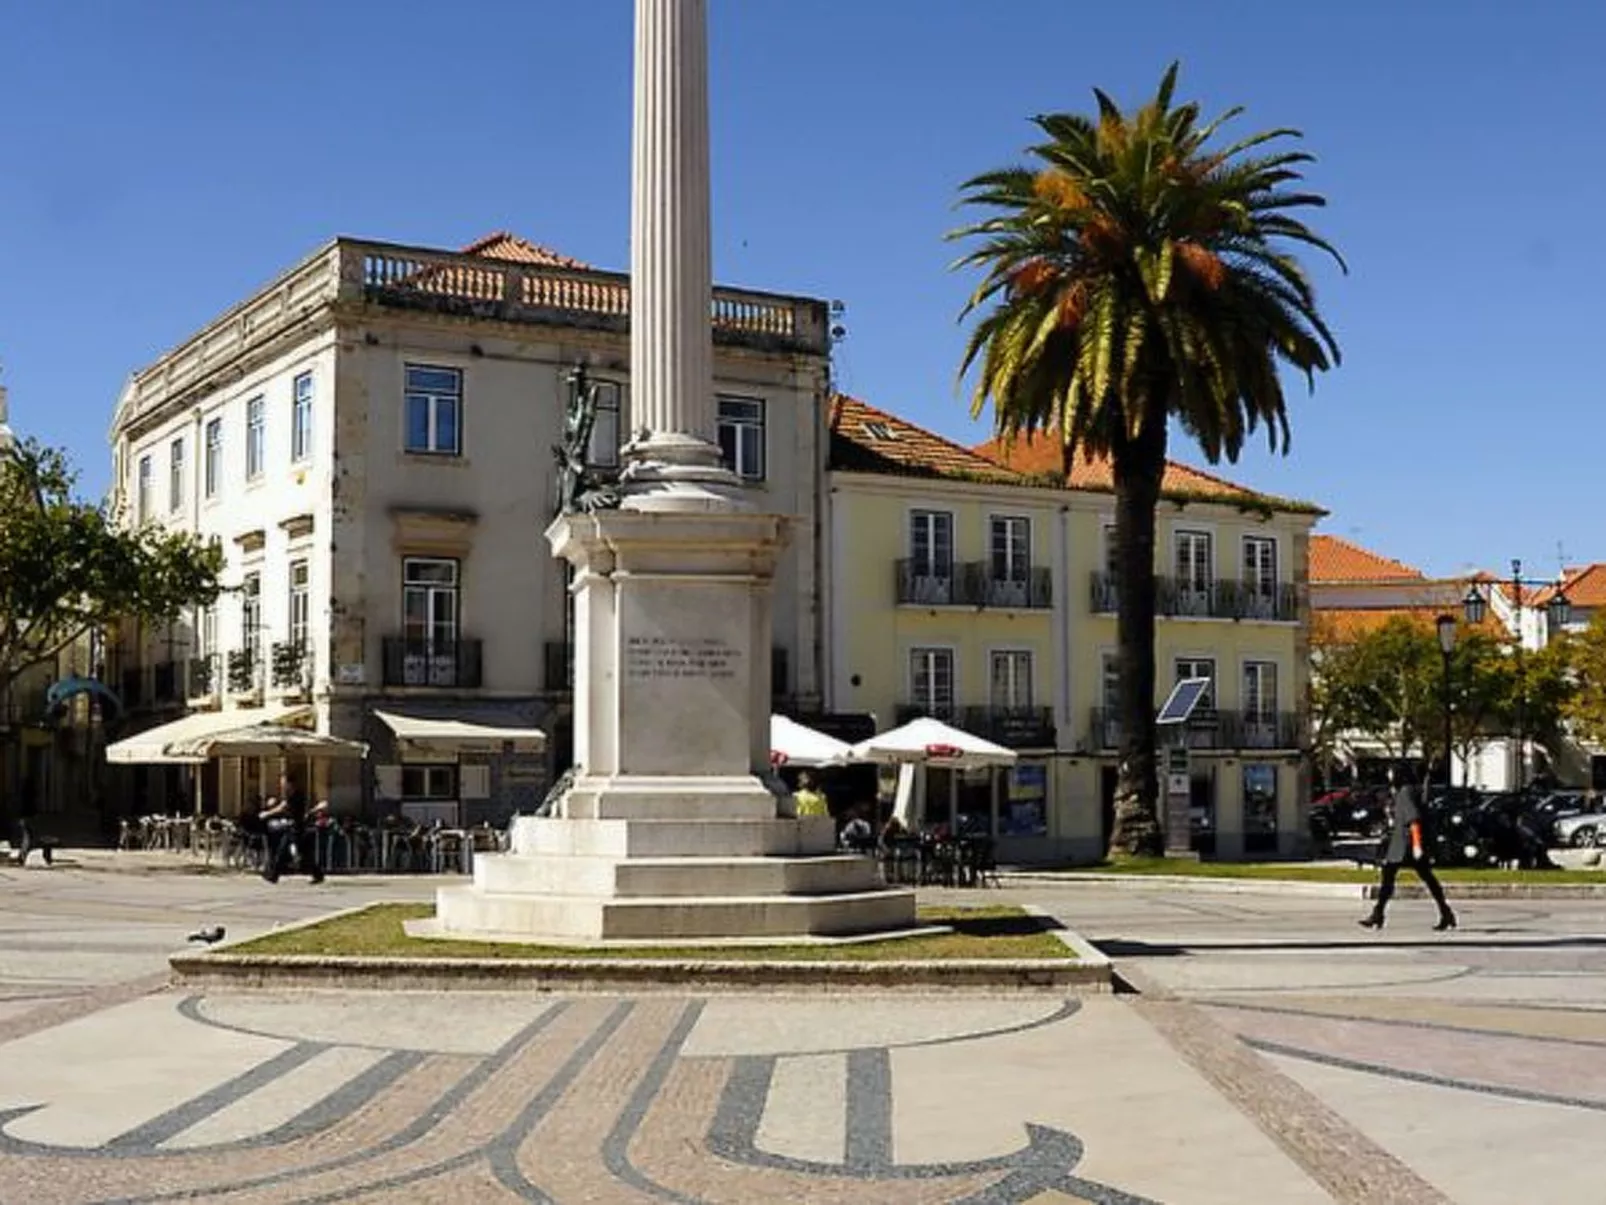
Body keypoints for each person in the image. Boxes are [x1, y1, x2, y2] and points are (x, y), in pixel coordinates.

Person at [1359, 769, 1455, 931]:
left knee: (1394, 879)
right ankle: (1445, 912)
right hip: (1401, 844)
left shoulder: (1405, 793)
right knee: (1419, 878)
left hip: (1406, 845)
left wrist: (1417, 846)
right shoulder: (1404, 793)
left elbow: (1414, 820)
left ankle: (1379, 914)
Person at [259, 774, 323, 884]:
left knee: (288, 851)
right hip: (294, 827)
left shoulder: (296, 794)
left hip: (297, 827)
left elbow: (283, 807)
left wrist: (267, 813)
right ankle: (317, 874)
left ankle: (274, 875)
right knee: (294, 852)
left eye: (283, 782)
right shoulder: (292, 794)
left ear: (289, 783)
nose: (281, 784)